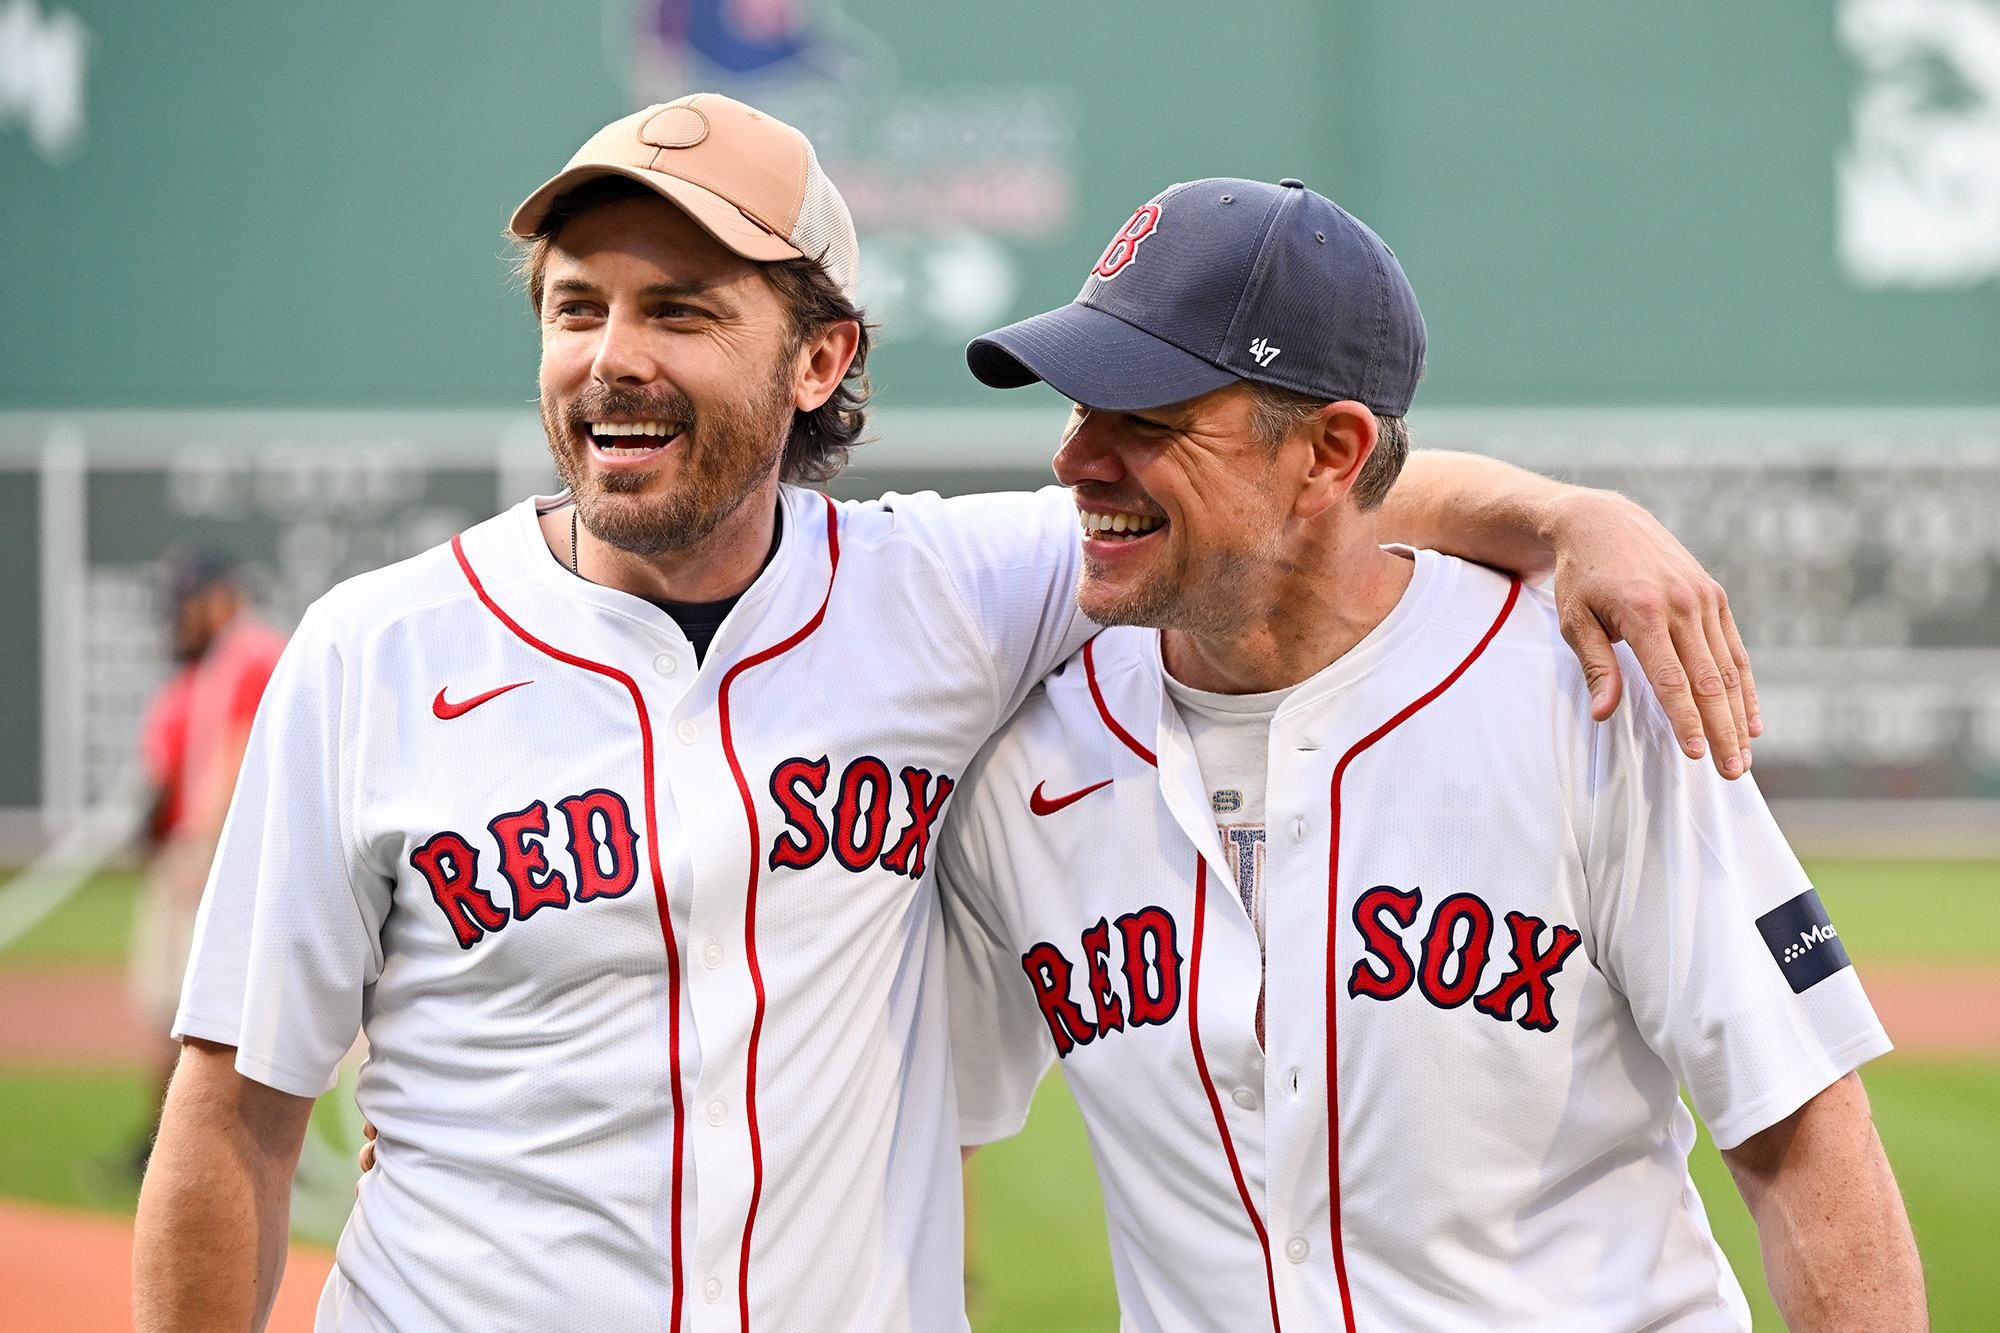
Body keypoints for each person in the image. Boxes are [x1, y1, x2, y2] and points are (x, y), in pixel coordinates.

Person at [133, 97, 1758, 1332]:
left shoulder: (941, 594)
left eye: (682, 310)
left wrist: (1567, 516)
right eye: (578, 305)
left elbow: (1285, 500)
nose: (613, 358)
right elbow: (233, 1114)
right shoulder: (373, 656)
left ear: (820, 350)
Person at [940, 177, 1925, 1331]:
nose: (1074, 459)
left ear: (1329, 453)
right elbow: (927, 1121)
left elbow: (1799, 1128)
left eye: (1144, 421)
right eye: (1073, 405)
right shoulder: (1020, 750)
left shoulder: (1584, 697)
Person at [130, 549, 287, 1163]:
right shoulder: (229, 656)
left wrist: (202, 845)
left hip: (217, 848)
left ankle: (200, 1151)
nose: (181, 617)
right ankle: (173, 1146)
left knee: (200, 1009)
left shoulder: (247, 650)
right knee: (182, 1004)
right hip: (217, 844)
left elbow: (237, 750)